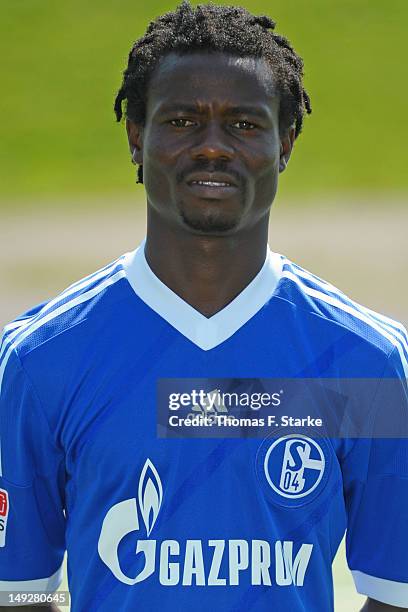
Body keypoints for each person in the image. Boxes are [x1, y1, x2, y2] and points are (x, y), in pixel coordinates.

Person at [0, 2, 407, 610]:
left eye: (244, 124)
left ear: (286, 141)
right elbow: (19, 594)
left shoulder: (368, 363)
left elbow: (395, 593)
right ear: (137, 136)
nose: (213, 148)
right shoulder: (39, 361)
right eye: (183, 121)